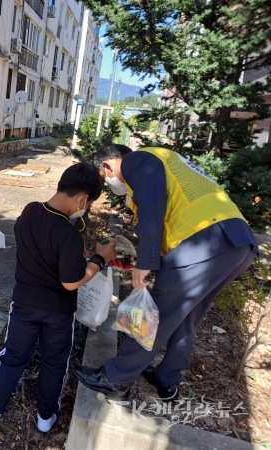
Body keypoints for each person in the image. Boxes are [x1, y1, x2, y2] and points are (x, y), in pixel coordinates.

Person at [73, 144, 259, 403]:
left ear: (108, 165)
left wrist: (146, 261)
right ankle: (167, 378)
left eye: (105, 178)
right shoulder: (167, 163)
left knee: (151, 315)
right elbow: (170, 223)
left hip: (204, 243)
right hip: (235, 245)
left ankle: (115, 378)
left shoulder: (138, 160)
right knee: (186, 316)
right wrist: (138, 259)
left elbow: (153, 210)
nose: (111, 185)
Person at [0, 163, 118, 443]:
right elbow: (71, 282)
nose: (84, 210)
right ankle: (46, 419)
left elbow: (36, 248)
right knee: (54, 363)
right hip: (59, 313)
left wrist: (72, 255)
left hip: (25, 304)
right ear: (83, 199)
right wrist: (99, 259)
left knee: (12, 358)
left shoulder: (29, 211)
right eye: (87, 204)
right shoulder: (68, 234)